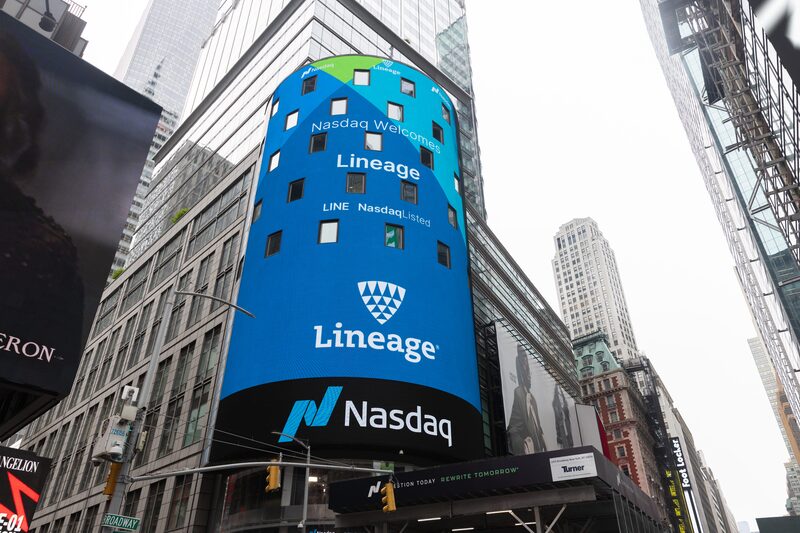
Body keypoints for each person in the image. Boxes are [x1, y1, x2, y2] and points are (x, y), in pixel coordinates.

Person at [507, 344, 546, 454]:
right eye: (523, 359)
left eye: (527, 359)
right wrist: (523, 447)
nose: (527, 366)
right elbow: (513, 429)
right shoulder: (518, 393)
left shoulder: (532, 398)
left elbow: (538, 428)